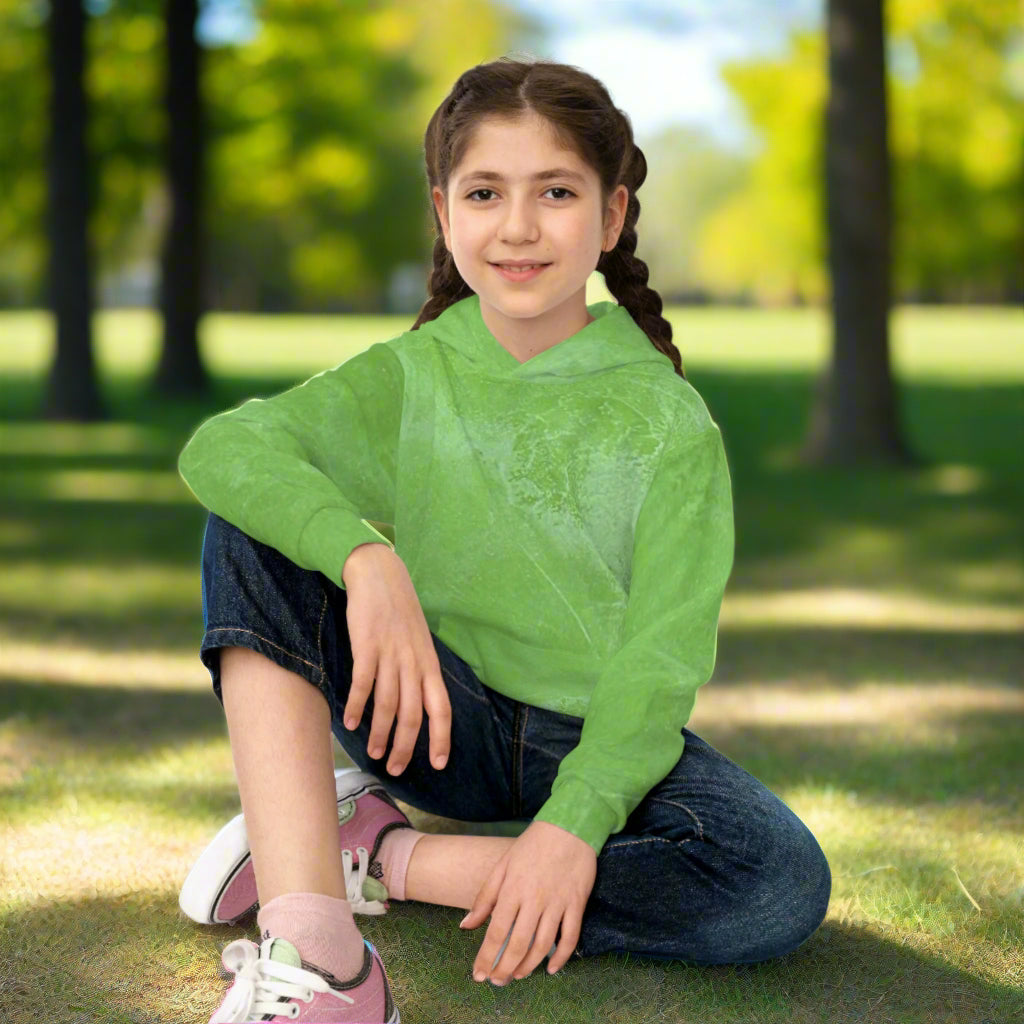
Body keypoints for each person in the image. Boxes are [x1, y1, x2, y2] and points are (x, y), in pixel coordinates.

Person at [177, 55, 832, 1024]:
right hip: (425, 719)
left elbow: (660, 658)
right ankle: (320, 949)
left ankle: (370, 853)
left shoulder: (669, 421)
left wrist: (570, 828)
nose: (518, 226)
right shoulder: (412, 375)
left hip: (593, 737)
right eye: (486, 192)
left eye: (555, 192)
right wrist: (367, 556)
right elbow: (224, 446)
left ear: (610, 217)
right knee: (248, 523)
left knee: (775, 882)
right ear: (445, 213)